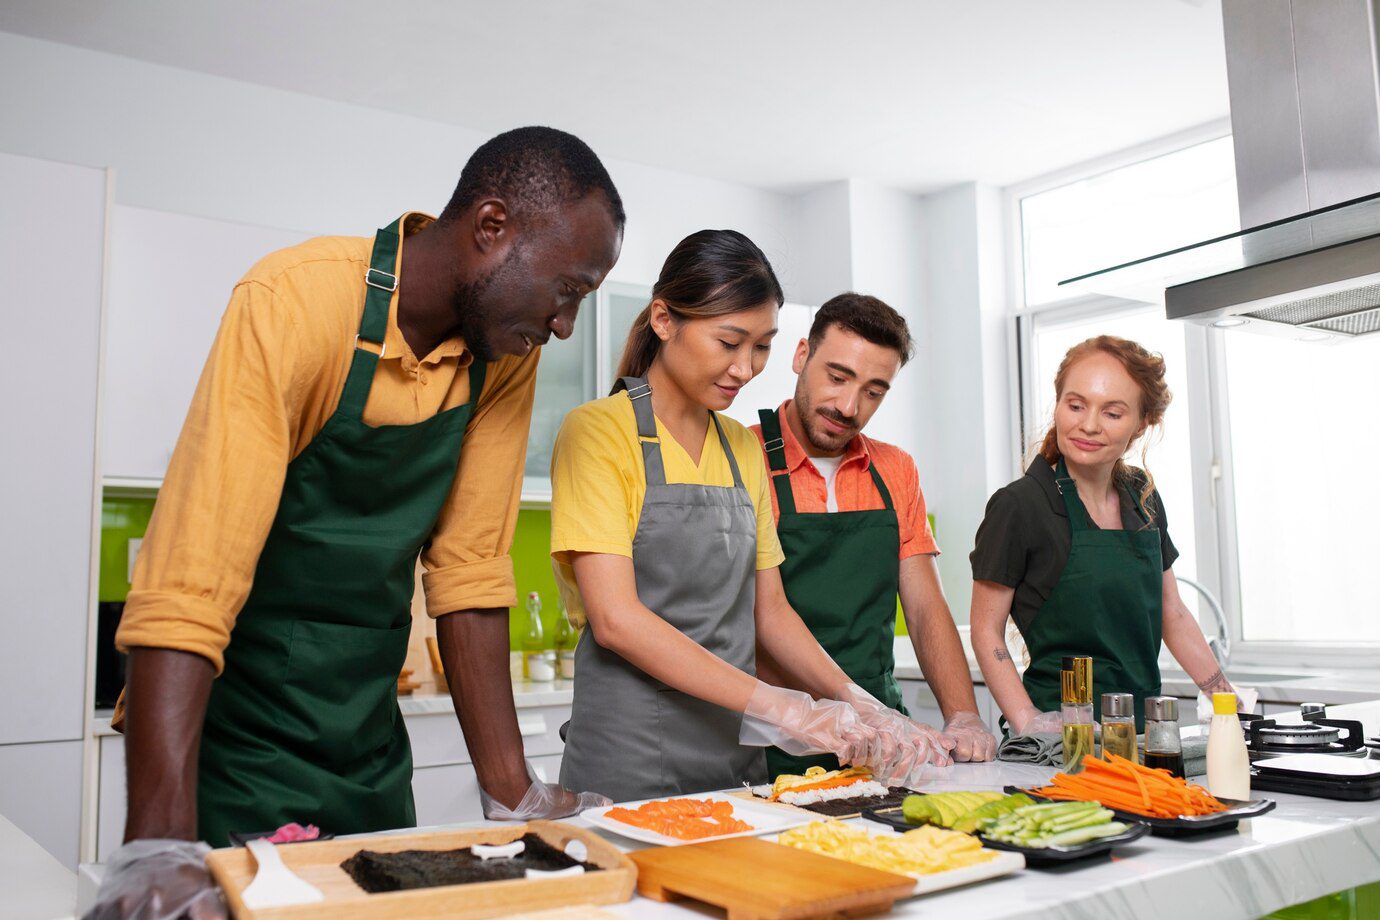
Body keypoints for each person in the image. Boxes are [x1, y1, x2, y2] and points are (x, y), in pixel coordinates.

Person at [92, 127, 625, 917]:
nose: (565, 326)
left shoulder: (504, 357)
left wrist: (514, 795)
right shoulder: (297, 302)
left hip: (367, 747)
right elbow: (189, 579)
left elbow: (469, 572)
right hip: (231, 742)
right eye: (569, 289)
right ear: (491, 228)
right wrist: (159, 845)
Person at [549, 231, 946, 802]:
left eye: (761, 346)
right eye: (729, 342)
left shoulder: (740, 445)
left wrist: (855, 698)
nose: (746, 368)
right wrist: (784, 707)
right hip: (629, 752)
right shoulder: (598, 432)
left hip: (734, 755)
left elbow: (771, 609)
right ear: (664, 319)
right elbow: (617, 620)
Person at [751, 293, 997, 775]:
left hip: (882, 733)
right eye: (837, 377)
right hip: (776, 733)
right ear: (801, 356)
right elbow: (760, 613)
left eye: (873, 391)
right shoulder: (743, 457)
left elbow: (925, 604)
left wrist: (964, 715)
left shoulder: (894, 469)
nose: (848, 405)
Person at [970, 335, 1239, 736]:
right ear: (1058, 403)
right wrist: (1029, 722)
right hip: (1060, 737)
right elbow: (985, 630)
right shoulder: (1021, 505)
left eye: (1112, 413)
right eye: (1075, 405)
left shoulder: (1142, 497)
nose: (1088, 425)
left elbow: (1173, 613)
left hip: (1144, 733)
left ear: (1141, 423)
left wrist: (1227, 703)